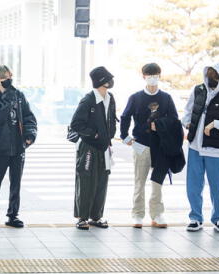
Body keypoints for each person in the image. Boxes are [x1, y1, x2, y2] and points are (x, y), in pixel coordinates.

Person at [182, 63, 219, 233]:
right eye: (209, 75)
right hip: (195, 146)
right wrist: (186, 123)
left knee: (217, 186)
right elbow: (188, 110)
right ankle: (195, 218)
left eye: (215, 76)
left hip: (215, 149)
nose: (211, 79)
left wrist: (217, 124)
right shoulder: (198, 90)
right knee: (193, 185)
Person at [120, 63, 178, 228]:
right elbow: (125, 117)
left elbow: (174, 119)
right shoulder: (136, 97)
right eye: (149, 75)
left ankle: (157, 214)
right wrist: (125, 137)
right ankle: (137, 214)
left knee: (157, 181)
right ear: (143, 76)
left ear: (160, 76)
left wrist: (159, 125)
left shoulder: (166, 98)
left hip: (161, 146)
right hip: (141, 144)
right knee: (139, 181)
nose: (153, 78)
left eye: (156, 75)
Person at [0, 65, 37, 229]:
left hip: (18, 146)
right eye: (2, 77)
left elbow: (29, 117)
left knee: (16, 183)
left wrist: (30, 136)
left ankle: (13, 215)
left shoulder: (19, 95)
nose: (6, 80)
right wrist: (6, 97)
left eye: (8, 77)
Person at [70, 66, 117, 230]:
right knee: (86, 180)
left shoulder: (110, 98)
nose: (111, 81)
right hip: (88, 147)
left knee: (102, 181)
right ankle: (82, 217)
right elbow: (76, 123)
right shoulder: (88, 100)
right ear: (101, 82)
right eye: (108, 79)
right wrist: (94, 134)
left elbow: (111, 119)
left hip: (104, 147)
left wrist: (109, 135)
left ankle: (96, 216)